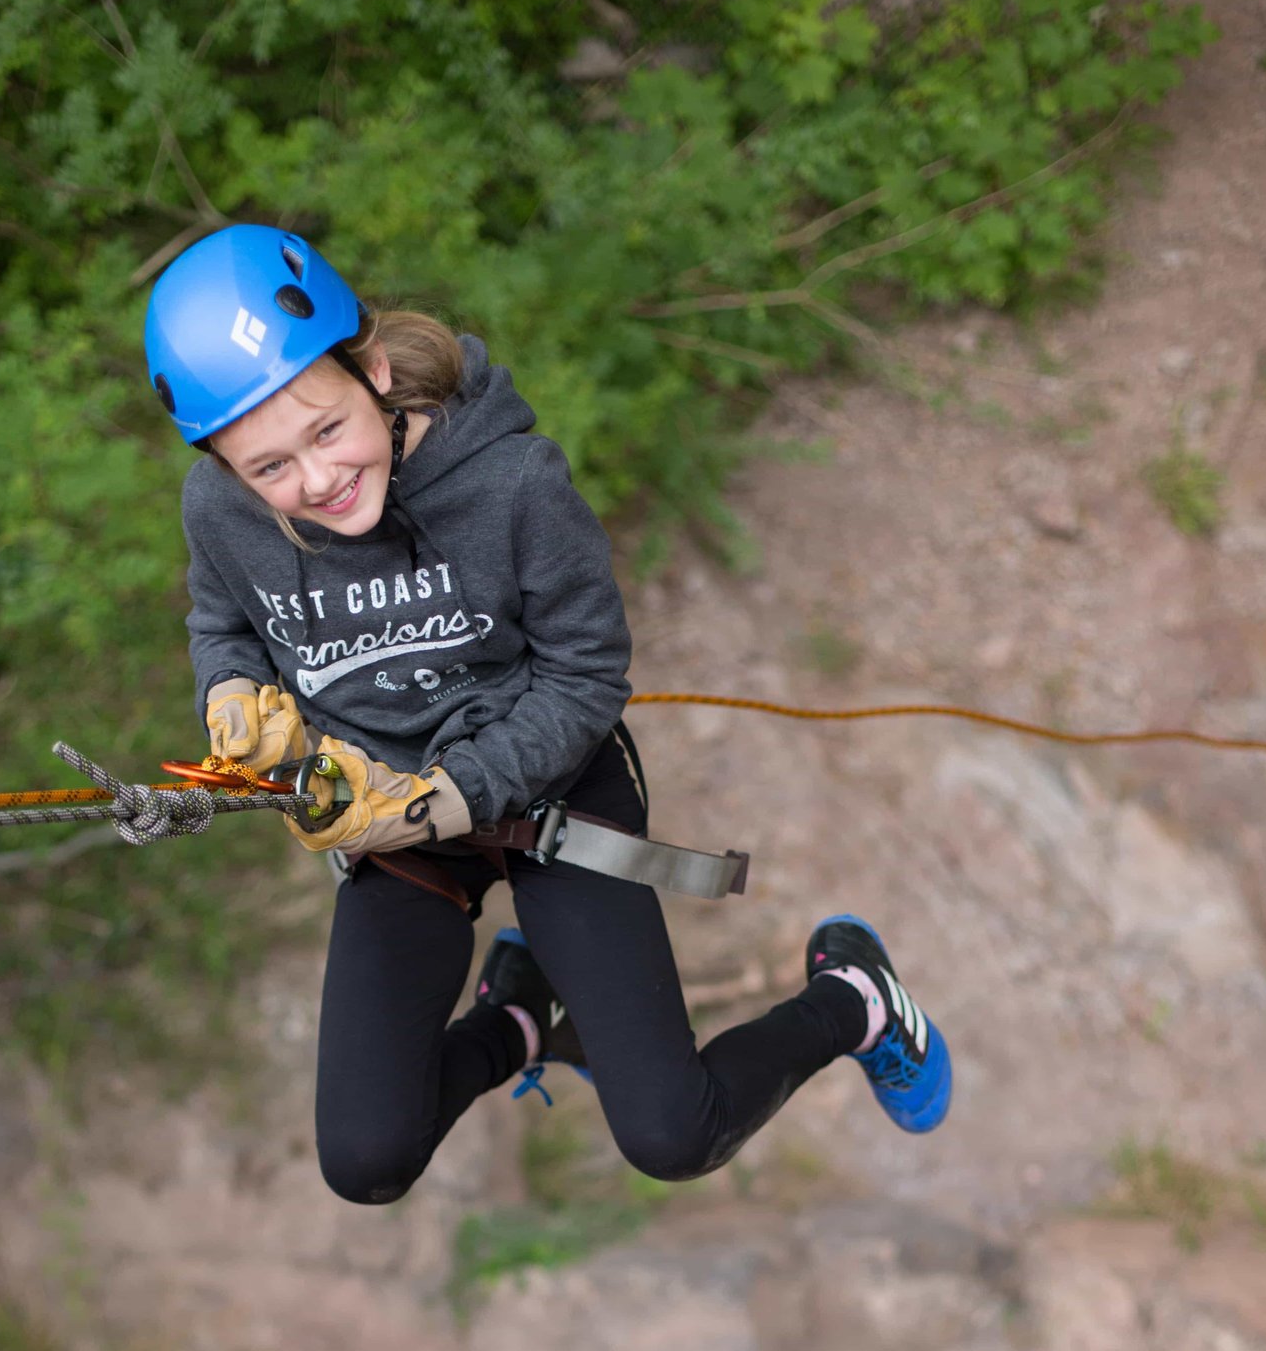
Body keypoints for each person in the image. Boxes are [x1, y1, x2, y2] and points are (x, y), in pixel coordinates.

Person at [138, 224, 951, 1205]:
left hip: (553, 790)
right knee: (365, 1159)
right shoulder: (219, 510)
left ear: (376, 371)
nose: (314, 481)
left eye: (325, 431)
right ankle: (520, 1017)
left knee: (672, 1132)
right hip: (390, 818)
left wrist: (445, 799)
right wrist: (232, 700)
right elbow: (223, 617)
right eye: (268, 469)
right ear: (226, 469)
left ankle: (853, 1002)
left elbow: (585, 679)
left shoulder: (515, 486)